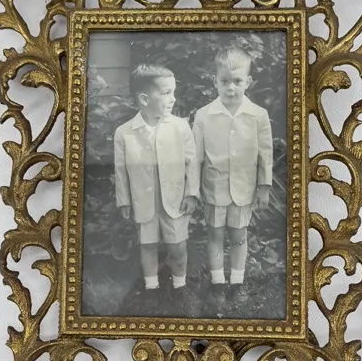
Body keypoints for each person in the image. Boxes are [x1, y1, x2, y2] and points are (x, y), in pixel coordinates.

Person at [193, 46, 273, 309]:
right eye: (225, 81)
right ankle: (218, 284)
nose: (230, 88)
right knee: (215, 235)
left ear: (247, 82)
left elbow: (265, 154)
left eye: (237, 82)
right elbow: (196, 158)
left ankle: (237, 284)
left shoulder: (258, 115)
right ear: (215, 81)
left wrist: (264, 186)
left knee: (239, 236)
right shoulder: (204, 116)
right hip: (213, 188)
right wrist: (193, 190)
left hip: (243, 189)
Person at [114, 64, 199, 313]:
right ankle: (151, 288)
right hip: (144, 201)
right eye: (166, 93)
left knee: (178, 246)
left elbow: (192, 162)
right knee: (148, 245)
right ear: (144, 99)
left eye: (174, 92)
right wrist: (124, 201)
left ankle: (180, 287)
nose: (173, 99)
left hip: (175, 200)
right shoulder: (125, 133)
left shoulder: (180, 126)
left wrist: (191, 193)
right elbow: (120, 170)